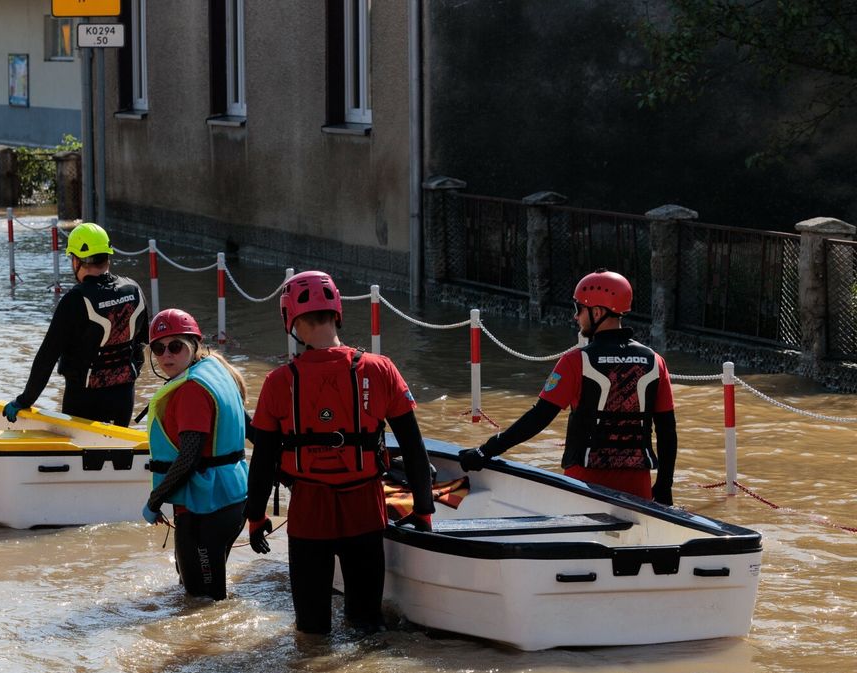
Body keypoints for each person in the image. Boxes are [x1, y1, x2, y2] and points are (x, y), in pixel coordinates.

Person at [243, 271, 436, 635]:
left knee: (312, 632)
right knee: (366, 625)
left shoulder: (278, 382)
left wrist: (255, 517)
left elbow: (264, 460)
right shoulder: (381, 369)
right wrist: (424, 509)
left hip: (308, 512)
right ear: (337, 312)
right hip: (364, 507)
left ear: (293, 320)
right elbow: (413, 446)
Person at [458, 269, 677, 504]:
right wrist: (664, 487)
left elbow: (538, 418)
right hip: (638, 487)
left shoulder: (576, 362)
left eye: (579, 309)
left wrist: (485, 451)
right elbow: (667, 432)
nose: (575, 317)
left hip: (584, 484)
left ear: (597, 312)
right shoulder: (655, 362)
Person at [141, 309, 249, 601]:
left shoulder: (191, 390)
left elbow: (188, 457)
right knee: (196, 591)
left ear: (194, 345)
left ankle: (211, 647)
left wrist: (155, 500)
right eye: (158, 349)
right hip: (232, 499)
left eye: (175, 346)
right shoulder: (216, 371)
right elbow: (251, 429)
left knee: (202, 601)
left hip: (207, 507)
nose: (166, 356)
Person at [4, 222, 148, 426]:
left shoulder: (76, 299)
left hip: (83, 398)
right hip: (124, 396)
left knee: (84, 455)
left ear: (77, 261)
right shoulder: (133, 290)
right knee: (118, 452)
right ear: (107, 256)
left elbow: (47, 356)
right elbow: (143, 343)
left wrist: (24, 400)